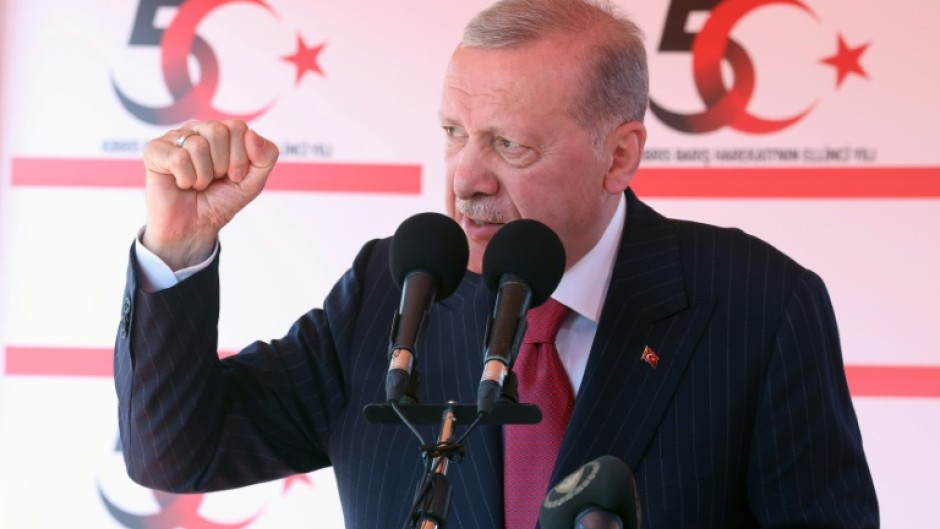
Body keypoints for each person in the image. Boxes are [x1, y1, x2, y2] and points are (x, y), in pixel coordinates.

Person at [114, 0, 879, 527]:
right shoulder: (394, 289)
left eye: (510, 145)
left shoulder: (757, 304)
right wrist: (177, 246)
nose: (465, 179)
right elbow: (176, 448)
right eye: (454, 132)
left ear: (618, 155)